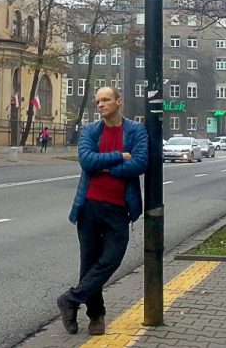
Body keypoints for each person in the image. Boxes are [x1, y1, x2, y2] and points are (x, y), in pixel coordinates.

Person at [57, 87, 148, 336]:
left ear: (119, 101)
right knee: (89, 262)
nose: (100, 104)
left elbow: (140, 163)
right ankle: (96, 316)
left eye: (106, 99)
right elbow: (87, 161)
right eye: (98, 101)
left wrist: (108, 168)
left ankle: (70, 299)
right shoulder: (90, 131)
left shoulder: (135, 130)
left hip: (119, 207)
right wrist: (119, 157)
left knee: (112, 258)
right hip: (89, 205)